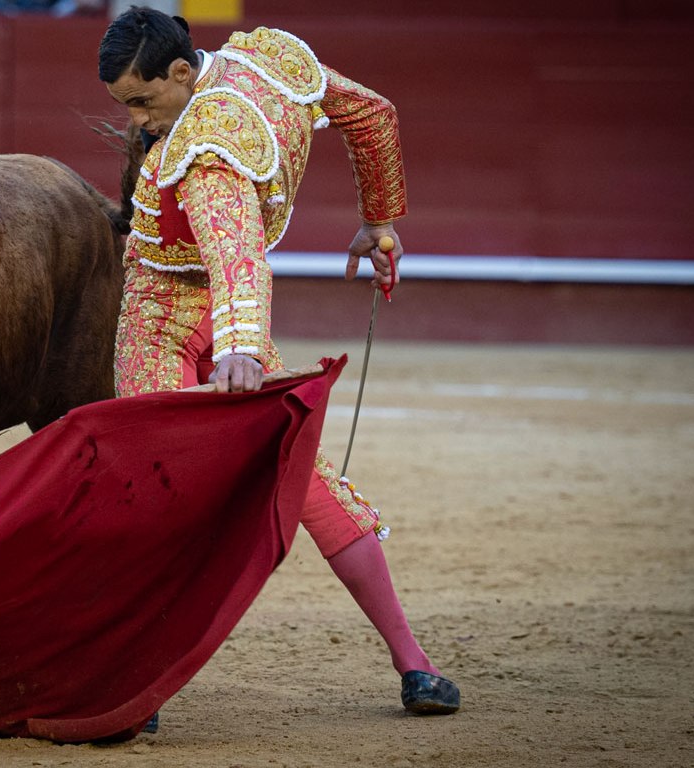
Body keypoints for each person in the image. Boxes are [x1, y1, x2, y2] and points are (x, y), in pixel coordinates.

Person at [98, 6, 460, 715]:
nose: (137, 122)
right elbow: (373, 114)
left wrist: (238, 346)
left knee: (153, 488)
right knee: (311, 480)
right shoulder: (269, 61)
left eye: (142, 101)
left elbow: (235, 253)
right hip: (223, 315)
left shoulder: (205, 147)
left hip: (162, 319)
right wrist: (379, 220)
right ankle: (414, 665)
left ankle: (138, 680)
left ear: (181, 72)